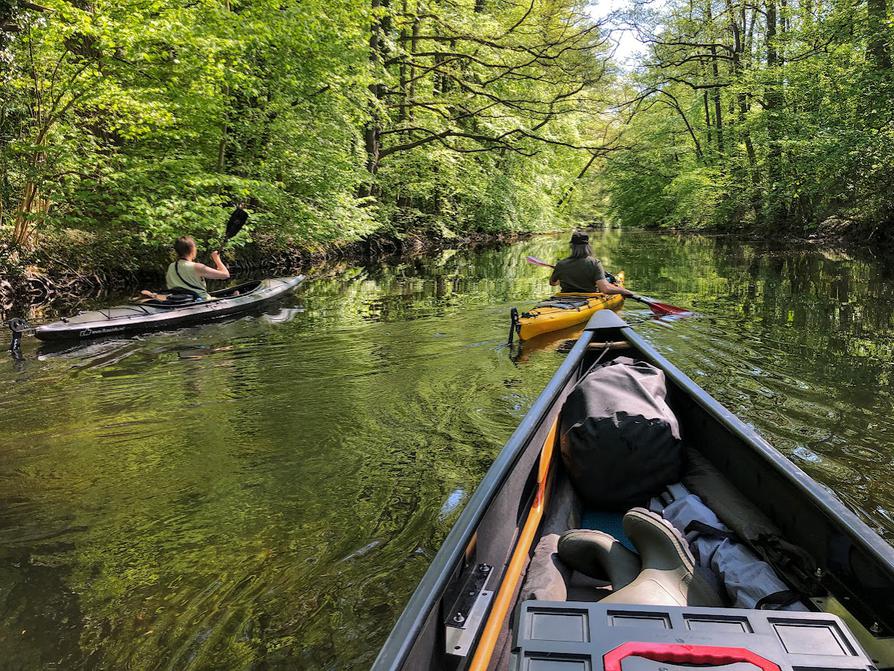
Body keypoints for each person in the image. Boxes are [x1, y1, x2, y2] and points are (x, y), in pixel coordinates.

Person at [142, 236, 230, 301]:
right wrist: (216, 259)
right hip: (200, 300)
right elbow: (226, 275)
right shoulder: (197, 267)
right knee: (235, 293)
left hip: (177, 299)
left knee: (233, 293)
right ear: (192, 249)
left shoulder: (171, 266)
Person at [549, 231, 633, 296]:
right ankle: (612, 280)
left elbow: (553, 283)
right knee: (607, 281)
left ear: (572, 246)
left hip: (564, 297)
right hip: (589, 298)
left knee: (606, 280)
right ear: (588, 246)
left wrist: (565, 275)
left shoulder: (561, 264)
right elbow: (605, 289)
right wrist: (624, 291)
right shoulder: (594, 263)